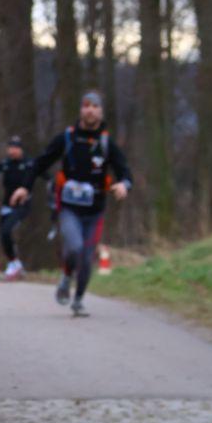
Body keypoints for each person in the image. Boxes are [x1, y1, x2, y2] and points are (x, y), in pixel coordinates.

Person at [31, 91, 133, 316]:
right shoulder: (67, 138)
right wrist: (24, 186)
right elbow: (39, 164)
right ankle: (67, 276)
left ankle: (78, 300)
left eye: (95, 106)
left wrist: (124, 185)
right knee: (75, 247)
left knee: (86, 259)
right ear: (80, 110)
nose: (90, 110)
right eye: (86, 106)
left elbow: (125, 172)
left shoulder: (106, 143)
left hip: (95, 211)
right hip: (69, 209)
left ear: (101, 111)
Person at [0, 135, 35, 280]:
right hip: (7, 205)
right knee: (3, 234)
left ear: (21, 149)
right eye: (10, 148)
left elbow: (44, 174)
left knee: (7, 230)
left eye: (15, 148)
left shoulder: (29, 163)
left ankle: (14, 265)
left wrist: (53, 184)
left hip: (22, 205)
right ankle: (15, 263)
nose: (12, 151)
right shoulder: (5, 163)